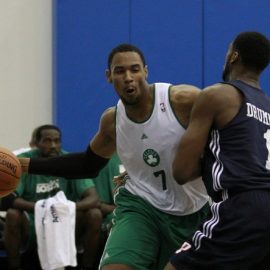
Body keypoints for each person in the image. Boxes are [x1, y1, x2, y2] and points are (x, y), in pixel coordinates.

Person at [19, 44, 210, 270]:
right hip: (142, 207)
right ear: (109, 77)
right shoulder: (112, 121)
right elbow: (87, 165)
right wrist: (25, 165)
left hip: (194, 210)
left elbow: (227, 129)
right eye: (120, 71)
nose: (128, 77)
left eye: (135, 69)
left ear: (146, 72)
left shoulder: (181, 100)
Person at [165, 31, 270, 270]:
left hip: (242, 208)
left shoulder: (219, 95)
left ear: (233, 56)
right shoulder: (267, 106)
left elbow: (181, 171)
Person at [4, 125, 103, 270]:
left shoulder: (70, 161)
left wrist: (65, 208)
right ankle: (14, 267)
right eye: (47, 141)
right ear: (36, 143)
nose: (53, 146)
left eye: (57, 141)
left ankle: (86, 267)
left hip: (65, 220)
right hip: (32, 220)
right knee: (12, 215)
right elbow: (9, 199)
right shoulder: (24, 161)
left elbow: (93, 198)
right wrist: (43, 208)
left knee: (94, 214)